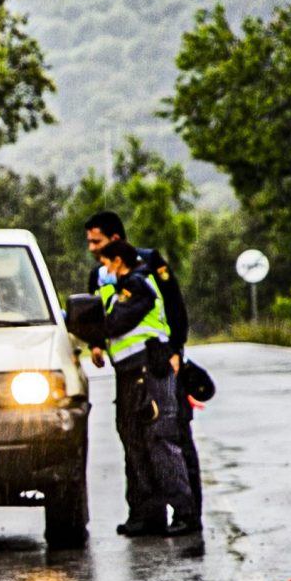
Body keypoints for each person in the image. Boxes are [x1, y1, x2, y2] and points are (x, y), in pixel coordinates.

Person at [82, 211, 203, 521]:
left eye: (97, 242)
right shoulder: (99, 275)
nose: (92, 249)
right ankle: (146, 513)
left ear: (115, 241)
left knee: (168, 436)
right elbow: (97, 312)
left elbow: (174, 307)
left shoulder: (148, 266)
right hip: (125, 369)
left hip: (158, 362)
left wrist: (175, 349)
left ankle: (188, 512)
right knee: (133, 438)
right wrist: (94, 343)